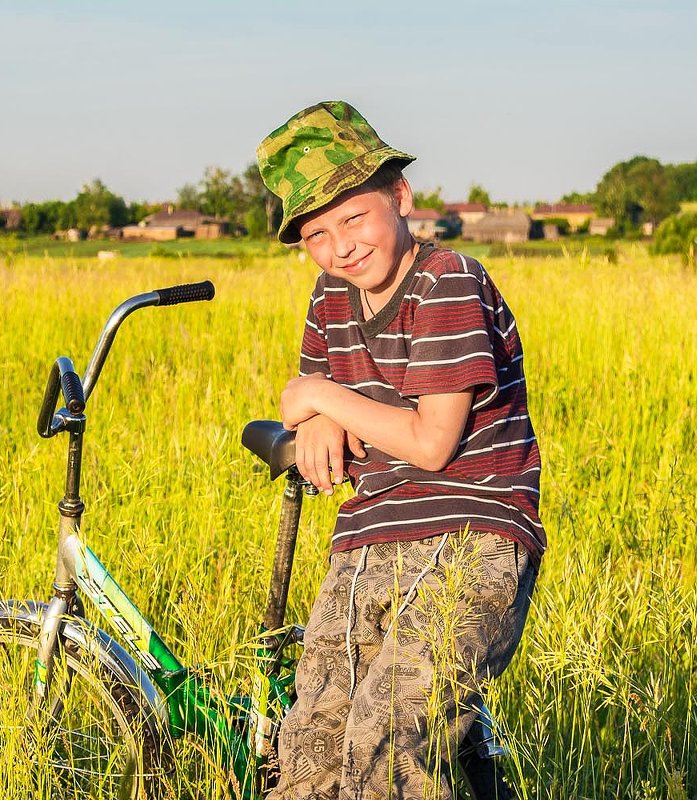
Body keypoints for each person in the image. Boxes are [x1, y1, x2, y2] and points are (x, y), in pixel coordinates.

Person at [255, 100, 546, 800]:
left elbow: (432, 441)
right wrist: (319, 415)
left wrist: (318, 395)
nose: (341, 247)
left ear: (400, 197)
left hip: (469, 535)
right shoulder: (329, 300)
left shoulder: (447, 280)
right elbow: (317, 420)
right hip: (365, 542)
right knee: (310, 748)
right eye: (317, 235)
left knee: (388, 743)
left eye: (354, 217)